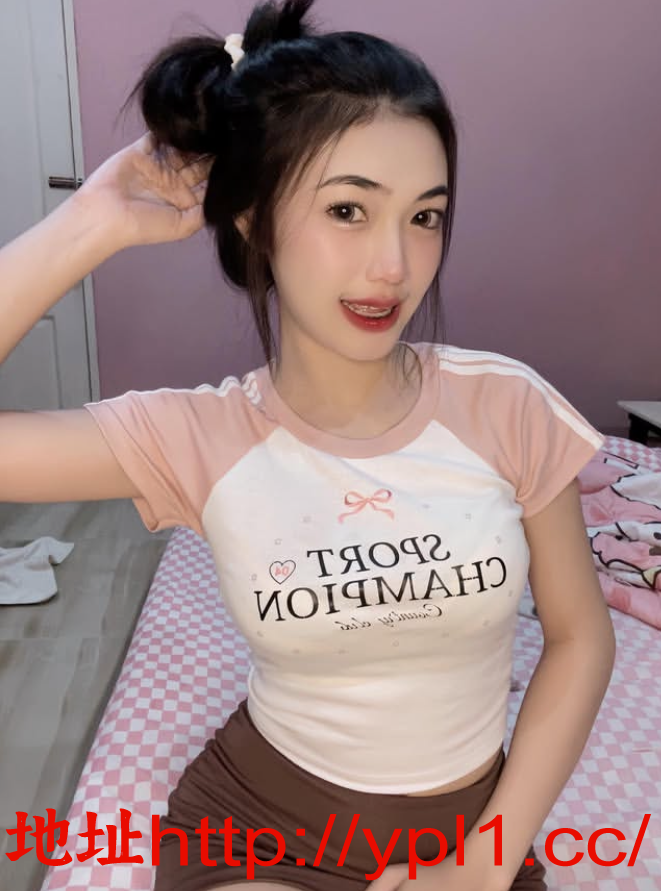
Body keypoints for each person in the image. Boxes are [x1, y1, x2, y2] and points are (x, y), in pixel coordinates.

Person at [0, 1, 616, 890]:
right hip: (264, 825)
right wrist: (92, 222)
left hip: (473, 839)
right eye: (347, 210)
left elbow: (579, 636)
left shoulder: (507, 405)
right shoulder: (197, 437)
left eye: (425, 217)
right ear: (253, 218)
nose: (394, 265)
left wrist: (483, 863)